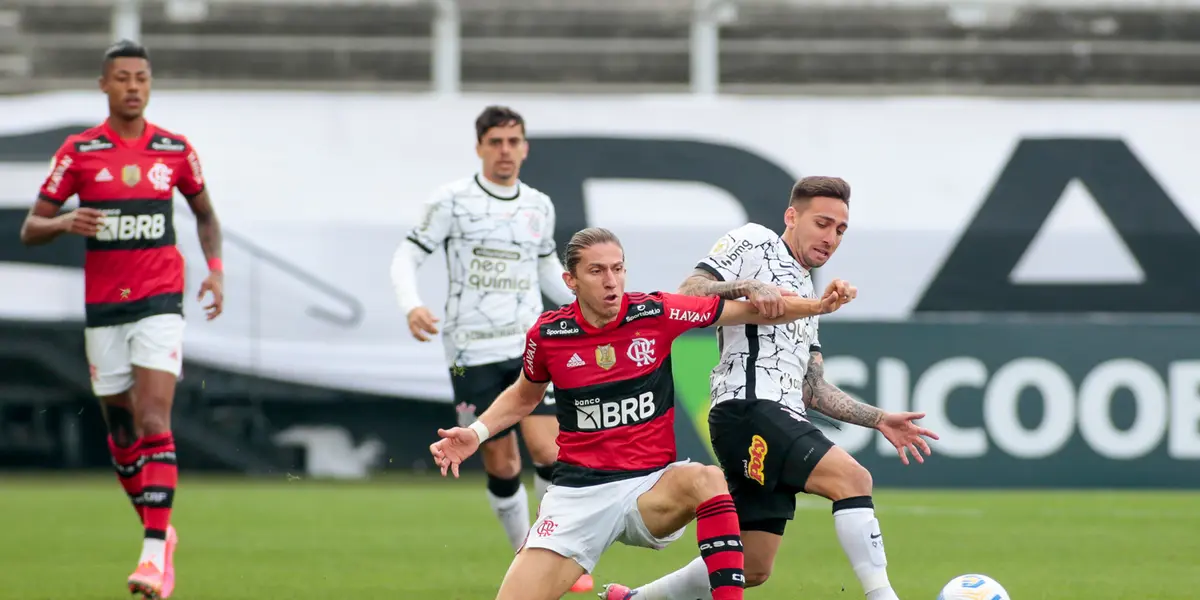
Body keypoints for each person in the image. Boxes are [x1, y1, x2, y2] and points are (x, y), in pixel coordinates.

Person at [430, 227, 857, 600]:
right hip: (576, 498)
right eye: (597, 271)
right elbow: (524, 396)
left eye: (618, 268)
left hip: (649, 489)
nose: (611, 281)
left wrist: (818, 306)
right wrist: (479, 431)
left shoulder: (656, 312)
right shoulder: (548, 335)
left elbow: (750, 310)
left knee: (707, 479)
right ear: (570, 280)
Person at [600, 176, 939, 600]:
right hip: (748, 407)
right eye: (822, 223)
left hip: (774, 414)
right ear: (791, 216)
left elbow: (813, 389)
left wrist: (878, 418)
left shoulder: (807, 291)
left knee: (752, 566)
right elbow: (688, 292)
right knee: (853, 478)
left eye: (840, 229)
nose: (830, 237)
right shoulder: (756, 242)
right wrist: (748, 285)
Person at [19, 40, 224, 600]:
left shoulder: (174, 149)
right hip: (105, 306)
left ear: (149, 85)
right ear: (104, 86)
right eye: (123, 78)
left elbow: (205, 215)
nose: (133, 86)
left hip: (160, 300)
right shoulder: (79, 151)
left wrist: (216, 271)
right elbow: (29, 227)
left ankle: (153, 556)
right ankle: (162, 534)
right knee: (122, 432)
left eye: (142, 78)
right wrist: (64, 222)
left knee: (155, 418)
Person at [388, 105, 590, 589]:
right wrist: (411, 305)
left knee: (550, 449)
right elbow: (406, 256)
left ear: (525, 147)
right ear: (480, 147)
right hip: (468, 351)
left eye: (513, 141)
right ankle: (525, 554)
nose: (505, 150)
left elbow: (544, 268)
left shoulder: (538, 205)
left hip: (528, 343)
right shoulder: (452, 201)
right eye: (495, 141)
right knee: (501, 461)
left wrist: (591, 306)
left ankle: (549, 548)